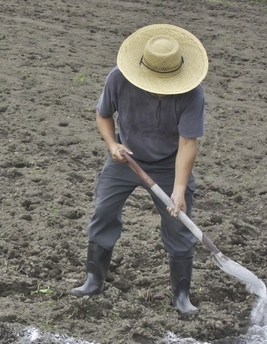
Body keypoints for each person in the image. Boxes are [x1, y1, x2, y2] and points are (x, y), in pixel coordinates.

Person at [72, 24, 208, 317]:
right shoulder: (119, 79)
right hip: (126, 158)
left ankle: (181, 295)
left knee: (179, 225)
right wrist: (112, 144)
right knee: (103, 213)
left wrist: (180, 189)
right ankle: (94, 279)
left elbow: (187, 143)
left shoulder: (192, 94)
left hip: (169, 164)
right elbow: (103, 114)